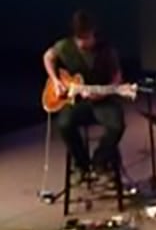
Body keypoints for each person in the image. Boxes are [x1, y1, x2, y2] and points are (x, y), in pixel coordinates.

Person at [43, 10, 127, 181]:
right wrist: (56, 81)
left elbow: (117, 77)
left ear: (93, 34)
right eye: (79, 39)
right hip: (78, 101)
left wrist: (103, 93)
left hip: (102, 100)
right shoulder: (65, 46)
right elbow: (48, 57)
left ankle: (99, 161)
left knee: (117, 126)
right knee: (64, 124)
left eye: (86, 38)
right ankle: (82, 164)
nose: (82, 43)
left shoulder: (106, 49)